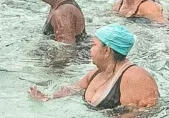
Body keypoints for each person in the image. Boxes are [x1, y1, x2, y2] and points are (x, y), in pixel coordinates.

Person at [29, 24, 160, 112]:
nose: (89, 49)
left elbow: (143, 114)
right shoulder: (95, 74)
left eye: (93, 45)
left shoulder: (135, 77)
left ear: (107, 50)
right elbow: (73, 89)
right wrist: (49, 97)